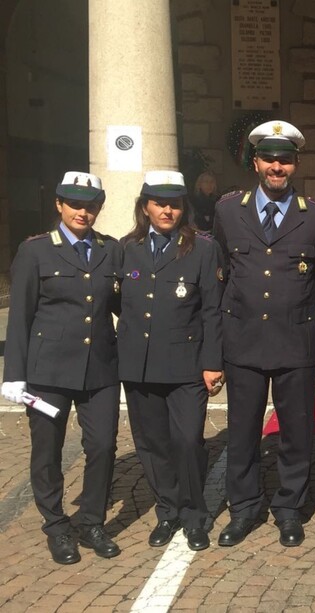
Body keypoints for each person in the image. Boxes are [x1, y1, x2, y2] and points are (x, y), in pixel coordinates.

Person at [212, 120, 315, 548]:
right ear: (256, 162)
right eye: (269, 159)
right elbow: (223, 272)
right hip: (242, 339)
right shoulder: (228, 210)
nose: (276, 167)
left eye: (284, 160)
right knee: (242, 432)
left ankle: (288, 509)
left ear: (296, 164)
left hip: (294, 341)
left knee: (295, 433)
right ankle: (243, 509)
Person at [2, 171, 123, 565]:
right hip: (46, 373)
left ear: (99, 208)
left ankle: (91, 522)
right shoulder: (35, 251)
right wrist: (14, 376)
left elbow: (127, 305)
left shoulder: (111, 249)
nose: (82, 212)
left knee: (103, 446)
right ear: (59, 205)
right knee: (47, 451)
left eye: (90, 205)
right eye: (74, 204)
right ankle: (56, 525)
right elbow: (19, 317)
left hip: (100, 369)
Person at [117, 170, 224, 552]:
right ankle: (168, 511)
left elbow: (212, 310)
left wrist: (213, 362)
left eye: (174, 204)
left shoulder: (202, 249)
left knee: (186, 439)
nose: (167, 210)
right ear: (145, 206)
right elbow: (120, 303)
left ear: (184, 208)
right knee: (153, 444)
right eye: (159, 203)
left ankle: (194, 515)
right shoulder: (126, 248)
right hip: (140, 365)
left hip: (186, 364)